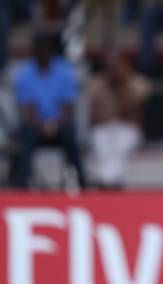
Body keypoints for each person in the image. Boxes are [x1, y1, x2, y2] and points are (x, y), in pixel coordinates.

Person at [12, 31, 86, 189]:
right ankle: (21, 185)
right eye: (39, 50)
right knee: (26, 135)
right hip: (35, 124)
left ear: (51, 51)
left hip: (60, 123)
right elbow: (27, 108)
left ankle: (82, 183)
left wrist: (54, 125)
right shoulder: (25, 73)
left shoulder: (64, 71)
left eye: (45, 50)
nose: (42, 54)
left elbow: (68, 107)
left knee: (70, 133)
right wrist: (42, 125)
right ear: (34, 52)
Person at [88, 51, 151, 189]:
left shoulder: (137, 82)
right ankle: (113, 183)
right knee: (102, 144)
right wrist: (108, 120)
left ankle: (107, 184)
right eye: (110, 65)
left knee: (120, 147)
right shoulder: (97, 83)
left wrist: (121, 84)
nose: (113, 69)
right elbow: (92, 114)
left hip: (128, 128)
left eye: (117, 65)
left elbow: (135, 110)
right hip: (103, 127)